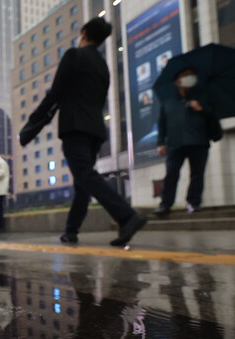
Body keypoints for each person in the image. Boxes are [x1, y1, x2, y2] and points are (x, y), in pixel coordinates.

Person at [23, 17, 147, 247]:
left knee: (85, 175)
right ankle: (71, 231)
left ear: (83, 32)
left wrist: (31, 124)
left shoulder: (74, 56)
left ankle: (127, 216)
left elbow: (55, 94)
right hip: (95, 129)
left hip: (75, 126)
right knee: (82, 180)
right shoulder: (103, 66)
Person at [154, 68, 217, 215]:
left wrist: (201, 109)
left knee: (197, 174)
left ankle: (193, 203)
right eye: (185, 76)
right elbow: (162, 125)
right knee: (171, 173)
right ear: (177, 81)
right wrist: (160, 143)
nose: (190, 78)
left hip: (199, 142)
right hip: (175, 144)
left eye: (191, 75)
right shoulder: (168, 103)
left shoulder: (203, 98)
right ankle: (165, 204)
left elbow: (213, 117)